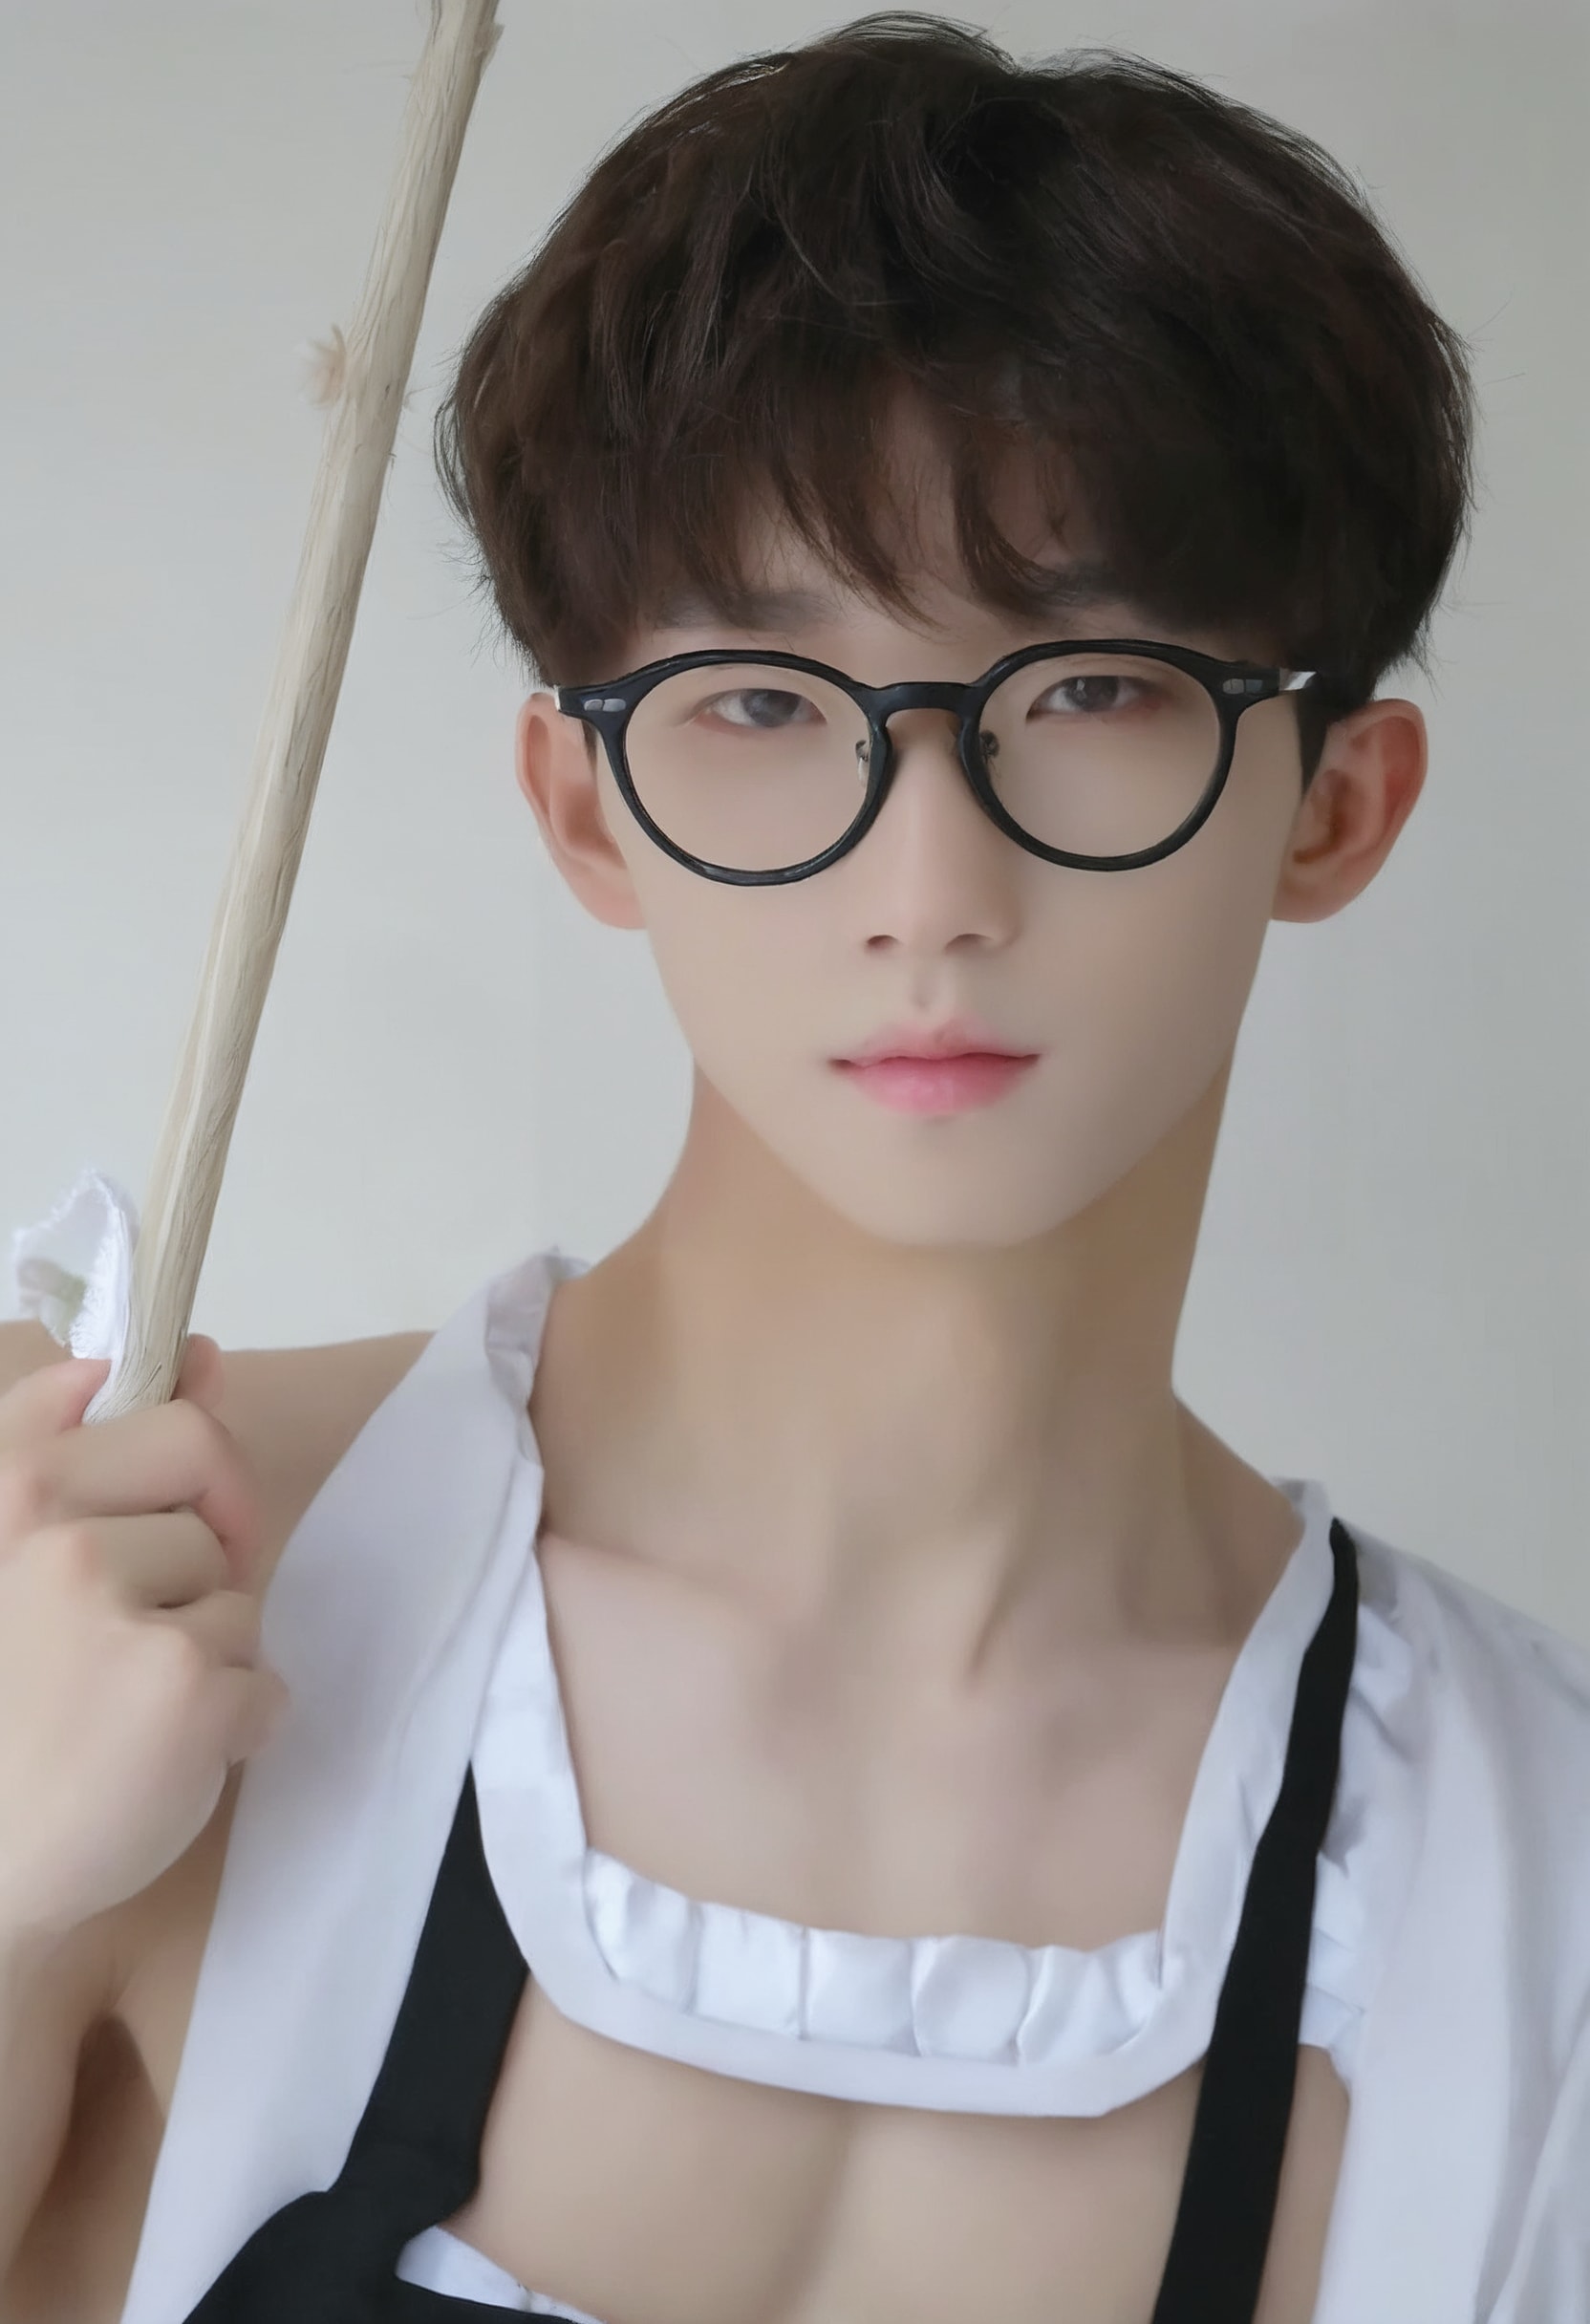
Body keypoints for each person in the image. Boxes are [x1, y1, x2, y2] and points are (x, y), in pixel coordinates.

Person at [2, 13, 1587, 2322]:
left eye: (1088, 689)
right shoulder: (119, 1588)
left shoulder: (1520, 1902)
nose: (928, 888)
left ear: (1334, 807)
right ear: (584, 807)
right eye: (761, 701)